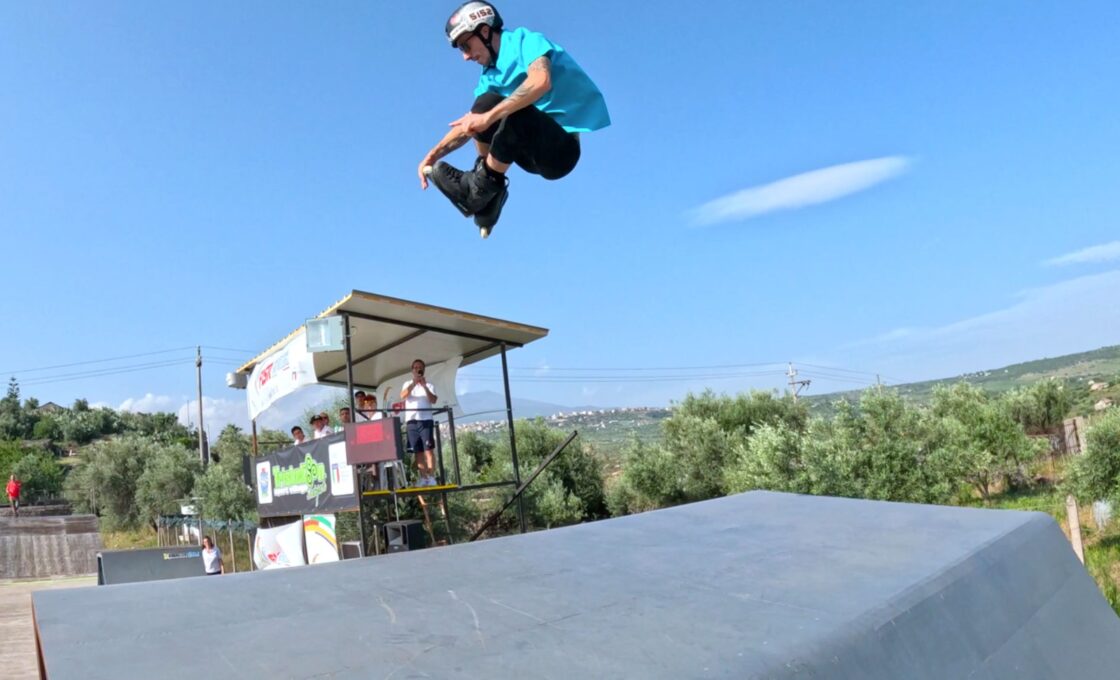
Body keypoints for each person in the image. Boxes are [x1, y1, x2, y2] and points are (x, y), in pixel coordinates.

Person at [419, 1, 610, 238]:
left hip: (560, 152)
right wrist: (434, 154)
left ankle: (481, 186)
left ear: (485, 31)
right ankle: (486, 189)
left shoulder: (525, 41)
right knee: (484, 104)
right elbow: (471, 123)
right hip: (526, 153)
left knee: (516, 110)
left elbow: (541, 81)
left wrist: (489, 117)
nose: (466, 57)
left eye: (467, 46)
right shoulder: (490, 75)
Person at [400, 359, 439, 486]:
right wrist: (413, 383)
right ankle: (423, 477)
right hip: (412, 421)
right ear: (412, 370)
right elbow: (403, 395)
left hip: (426, 420)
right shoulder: (407, 383)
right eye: (415, 367)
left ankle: (432, 476)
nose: (418, 369)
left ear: (423, 369)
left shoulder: (430, 385)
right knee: (418, 451)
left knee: (428, 450)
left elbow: (433, 400)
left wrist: (424, 386)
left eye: (420, 367)